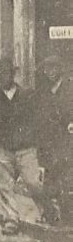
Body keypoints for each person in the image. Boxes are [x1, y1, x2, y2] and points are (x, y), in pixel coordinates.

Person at [0, 56, 45, 235]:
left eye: (6, 74)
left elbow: (36, 120)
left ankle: (47, 210)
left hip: (25, 148)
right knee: (4, 185)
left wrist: (33, 141)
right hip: (2, 148)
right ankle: (11, 219)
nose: (3, 78)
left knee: (33, 182)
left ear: (13, 74)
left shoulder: (27, 95)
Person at [36, 54, 73, 225]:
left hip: (66, 141)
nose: (49, 72)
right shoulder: (46, 90)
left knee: (66, 178)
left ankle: (66, 216)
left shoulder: (68, 88)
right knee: (51, 179)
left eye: (53, 68)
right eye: (46, 69)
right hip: (50, 142)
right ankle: (53, 216)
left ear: (60, 69)